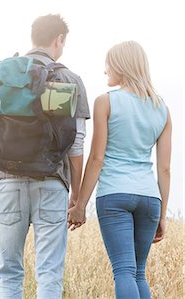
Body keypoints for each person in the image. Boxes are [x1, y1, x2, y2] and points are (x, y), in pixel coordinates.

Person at [0, 14, 90, 298]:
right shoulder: (68, 78)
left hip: (7, 182)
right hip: (51, 183)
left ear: (32, 37)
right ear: (58, 40)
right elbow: (77, 144)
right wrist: (76, 195)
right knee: (49, 272)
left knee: (9, 272)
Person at [68, 40, 172, 299]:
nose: (105, 70)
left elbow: (96, 158)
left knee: (123, 271)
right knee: (138, 272)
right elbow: (165, 168)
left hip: (115, 194)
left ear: (122, 66)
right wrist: (162, 214)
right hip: (150, 198)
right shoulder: (162, 108)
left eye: (109, 64)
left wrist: (80, 204)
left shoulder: (105, 102)